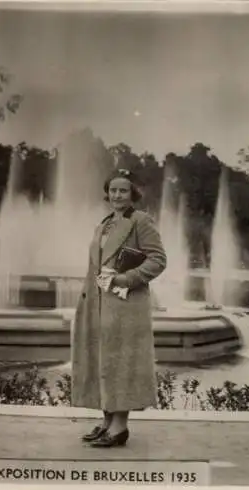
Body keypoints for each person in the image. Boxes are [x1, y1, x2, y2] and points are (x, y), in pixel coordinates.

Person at [71, 168, 167, 447]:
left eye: (123, 190)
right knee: (102, 361)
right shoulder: (103, 224)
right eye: (113, 190)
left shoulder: (141, 221)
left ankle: (120, 427)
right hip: (98, 304)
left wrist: (124, 278)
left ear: (132, 193)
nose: (117, 195)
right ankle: (106, 421)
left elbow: (158, 260)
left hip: (125, 306)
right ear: (107, 193)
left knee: (121, 363)